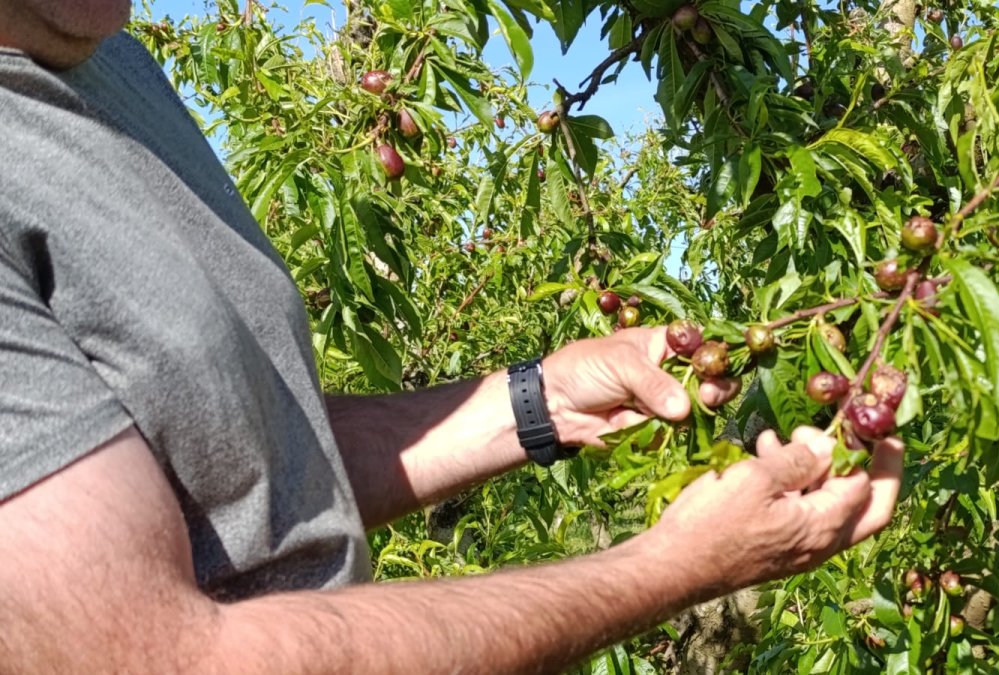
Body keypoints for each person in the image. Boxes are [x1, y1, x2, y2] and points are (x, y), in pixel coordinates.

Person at [0, 1, 905, 672]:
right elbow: (169, 659)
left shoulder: (108, 62)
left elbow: (239, 466)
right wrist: (670, 566)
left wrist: (539, 401)